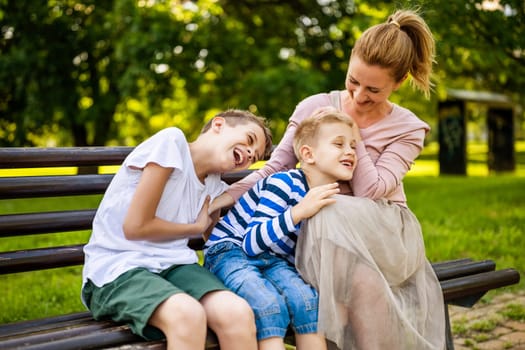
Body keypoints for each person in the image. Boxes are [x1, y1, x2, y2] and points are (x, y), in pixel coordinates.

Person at [209, 9, 446, 350]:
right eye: (353, 81)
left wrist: (350, 131)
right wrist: (223, 198)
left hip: (382, 232)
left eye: (373, 90)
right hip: (314, 236)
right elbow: (274, 169)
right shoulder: (315, 106)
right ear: (350, 59)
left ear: (399, 83)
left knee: (329, 210)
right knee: (360, 283)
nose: (359, 95)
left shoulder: (407, 129)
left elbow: (372, 192)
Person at [81, 109, 273, 350]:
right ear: (218, 124)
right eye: (249, 140)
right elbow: (135, 227)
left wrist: (223, 203)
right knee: (188, 315)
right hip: (117, 268)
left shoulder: (213, 184)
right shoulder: (171, 142)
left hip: (174, 265)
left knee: (238, 312)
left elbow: (213, 235)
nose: (248, 154)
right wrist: (194, 227)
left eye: (253, 157)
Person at [204, 107, 358, 350]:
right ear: (308, 154)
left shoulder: (327, 198)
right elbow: (251, 243)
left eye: (354, 147)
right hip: (229, 251)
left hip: (274, 261)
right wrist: (298, 212)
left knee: (309, 303)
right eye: (339, 144)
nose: (350, 151)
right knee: (268, 304)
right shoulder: (282, 183)